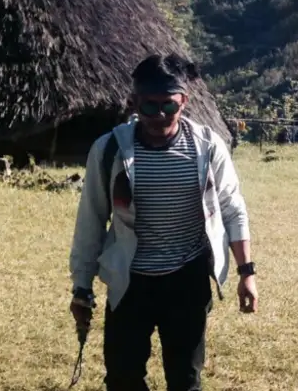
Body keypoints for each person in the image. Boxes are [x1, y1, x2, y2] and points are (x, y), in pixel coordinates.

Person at [69, 52, 257, 391]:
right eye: (149, 106)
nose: (159, 116)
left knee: (185, 380)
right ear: (134, 102)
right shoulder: (109, 150)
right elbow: (91, 220)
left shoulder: (207, 147)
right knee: (123, 380)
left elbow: (232, 207)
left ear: (184, 101)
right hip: (129, 282)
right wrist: (82, 287)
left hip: (187, 280)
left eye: (168, 106)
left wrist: (247, 273)